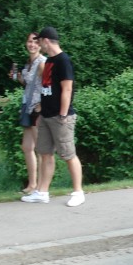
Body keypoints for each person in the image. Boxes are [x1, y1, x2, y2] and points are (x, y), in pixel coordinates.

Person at [21, 26, 84, 206]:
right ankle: (42, 192)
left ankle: (78, 192)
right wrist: (42, 112)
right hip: (46, 116)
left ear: (46, 41)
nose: (38, 44)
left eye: (40, 41)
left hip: (60, 116)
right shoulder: (49, 62)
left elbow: (67, 88)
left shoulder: (63, 60)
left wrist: (63, 114)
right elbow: (46, 89)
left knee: (68, 154)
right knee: (45, 153)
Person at [9, 32, 46, 194]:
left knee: (40, 148)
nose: (32, 44)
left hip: (37, 109)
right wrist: (17, 77)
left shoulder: (42, 63)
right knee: (27, 147)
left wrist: (42, 105)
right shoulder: (29, 63)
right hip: (27, 106)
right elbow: (29, 84)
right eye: (30, 41)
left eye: (35, 42)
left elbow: (49, 85)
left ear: (41, 45)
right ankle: (32, 184)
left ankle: (41, 187)